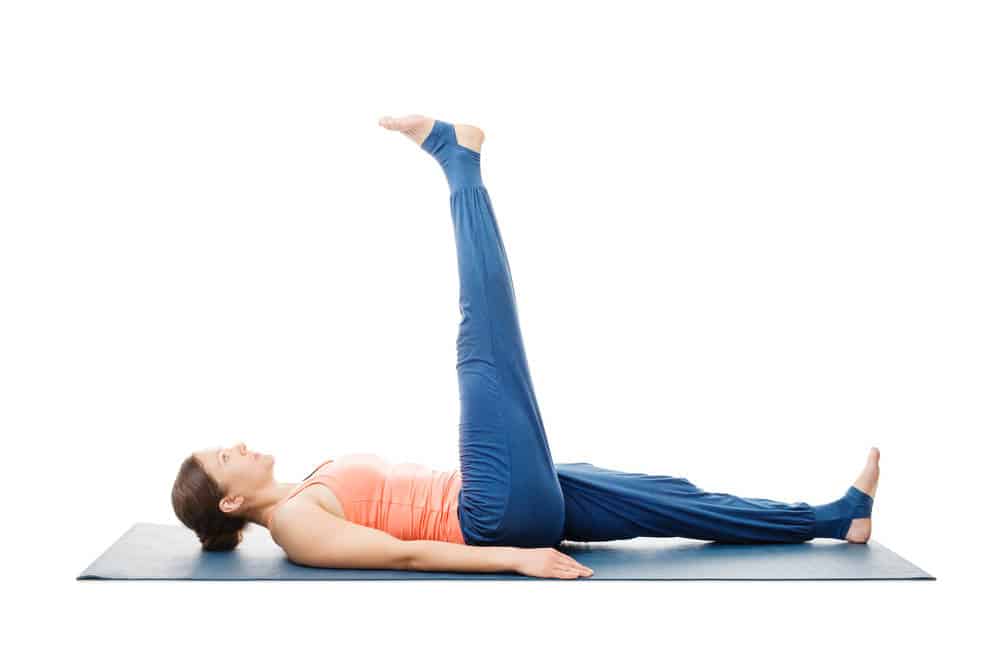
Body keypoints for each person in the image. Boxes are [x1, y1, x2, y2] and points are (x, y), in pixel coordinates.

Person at [171, 115, 879, 580]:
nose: (240, 443)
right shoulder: (295, 525)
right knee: (483, 346)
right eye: (227, 456)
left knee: (673, 500)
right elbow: (405, 552)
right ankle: (459, 159)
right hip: (493, 512)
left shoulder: (306, 484)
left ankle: (833, 517)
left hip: (508, 492)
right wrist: (518, 559)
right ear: (231, 502)